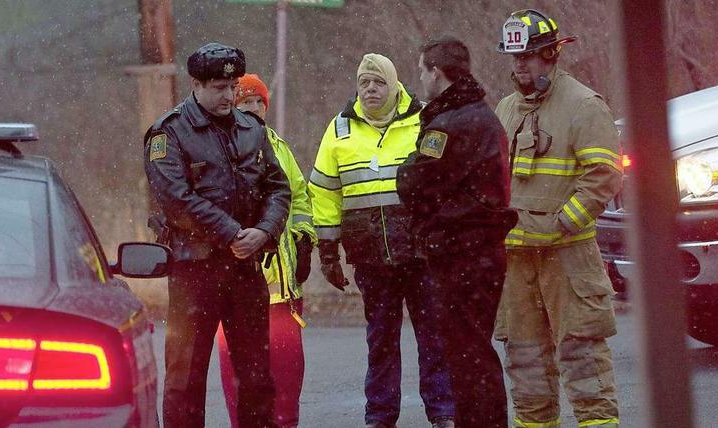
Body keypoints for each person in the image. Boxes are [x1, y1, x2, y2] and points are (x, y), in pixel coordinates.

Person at [144, 43, 289, 428]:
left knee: (256, 376)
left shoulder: (251, 129)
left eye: (233, 86)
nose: (229, 95)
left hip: (245, 269)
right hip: (195, 270)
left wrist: (264, 231)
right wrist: (232, 233)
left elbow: (278, 188)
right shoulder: (170, 132)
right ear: (196, 85)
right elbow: (175, 199)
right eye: (219, 87)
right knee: (186, 376)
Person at [308, 53, 456, 428]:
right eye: (364, 83)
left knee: (434, 336)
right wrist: (328, 251)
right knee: (381, 340)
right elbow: (324, 192)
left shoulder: (424, 120)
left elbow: (447, 181)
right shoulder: (340, 129)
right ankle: (380, 414)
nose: (370, 89)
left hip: (422, 253)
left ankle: (443, 411)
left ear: (394, 86)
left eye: (378, 82)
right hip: (371, 256)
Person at [493, 9, 623, 428]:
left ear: (551, 54)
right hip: (517, 259)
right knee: (525, 362)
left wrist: (563, 223)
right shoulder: (505, 109)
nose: (519, 65)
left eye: (527, 56)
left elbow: (604, 175)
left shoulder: (583, 105)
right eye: (514, 57)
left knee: (583, 358)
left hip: (568, 257)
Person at [397, 36, 517, 428]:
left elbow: (416, 182)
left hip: (460, 252)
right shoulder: (481, 116)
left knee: (468, 355)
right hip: (480, 250)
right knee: (472, 350)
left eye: (422, 70)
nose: (420, 78)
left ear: (436, 72)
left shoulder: (449, 124)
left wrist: (407, 170)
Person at [215, 73, 316, 428]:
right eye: (246, 101)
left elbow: (300, 196)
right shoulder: (219, 145)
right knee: (240, 375)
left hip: (284, 288)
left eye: (259, 101)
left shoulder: (278, 146)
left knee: (287, 372)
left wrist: (304, 238)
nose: (254, 108)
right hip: (239, 282)